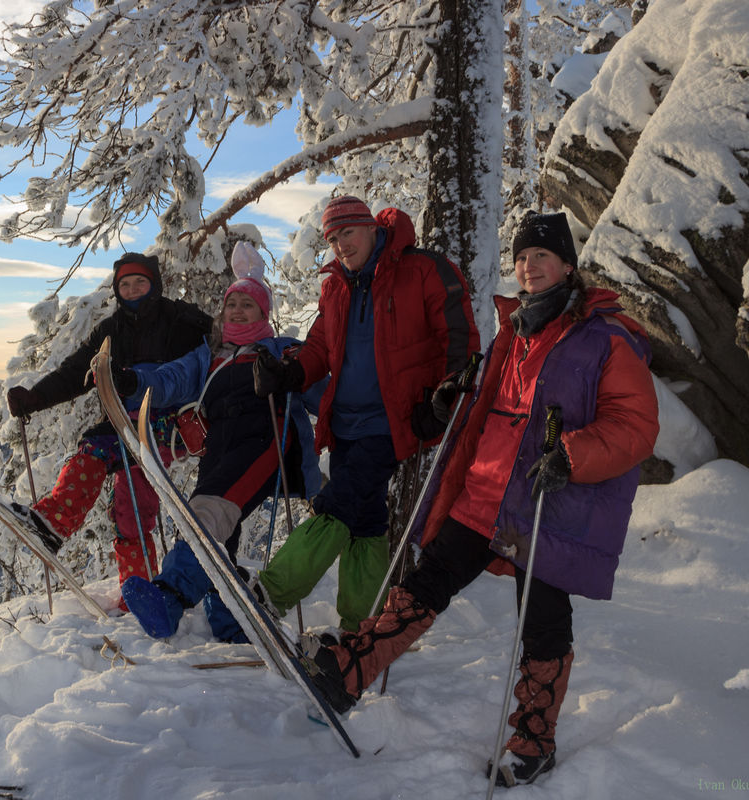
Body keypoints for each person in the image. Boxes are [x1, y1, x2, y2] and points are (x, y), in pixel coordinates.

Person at [302, 211, 660, 787]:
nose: (529, 266)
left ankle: (534, 739)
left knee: (541, 618)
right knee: (424, 585)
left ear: (568, 265)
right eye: (522, 258)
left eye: (542, 256)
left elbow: (636, 424)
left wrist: (573, 454)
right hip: (485, 492)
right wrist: (453, 399)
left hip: (549, 502)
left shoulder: (606, 338)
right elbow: (490, 407)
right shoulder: (512, 333)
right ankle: (348, 676)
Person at [251, 195, 480, 631]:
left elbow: (458, 336)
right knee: (366, 518)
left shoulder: (422, 270)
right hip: (345, 423)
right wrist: (289, 373)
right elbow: (320, 346)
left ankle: (271, 594)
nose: (340, 246)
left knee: (338, 503)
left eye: (347, 233)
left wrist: (446, 396)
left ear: (372, 227)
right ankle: (362, 624)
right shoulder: (336, 284)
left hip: (394, 421)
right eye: (332, 239)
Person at [115, 242, 322, 642]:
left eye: (249, 305)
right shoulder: (211, 355)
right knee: (211, 525)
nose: (238, 311)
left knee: (207, 515)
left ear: (265, 314)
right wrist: (135, 382)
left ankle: (170, 599)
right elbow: (170, 378)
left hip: (264, 441)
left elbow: (319, 385)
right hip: (218, 448)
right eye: (232, 305)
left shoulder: (280, 349)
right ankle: (232, 618)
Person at [6, 253, 211, 599]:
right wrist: (35, 398)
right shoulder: (110, 331)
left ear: (155, 285)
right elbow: (74, 373)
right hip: (121, 424)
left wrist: (135, 382)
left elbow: (187, 375)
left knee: (98, 451)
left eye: (140, 282)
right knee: (130, 507)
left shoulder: (181, 323)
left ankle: (54, 523)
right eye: (125, 285)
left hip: (165, 425)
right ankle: (140, 593)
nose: (132, 290)